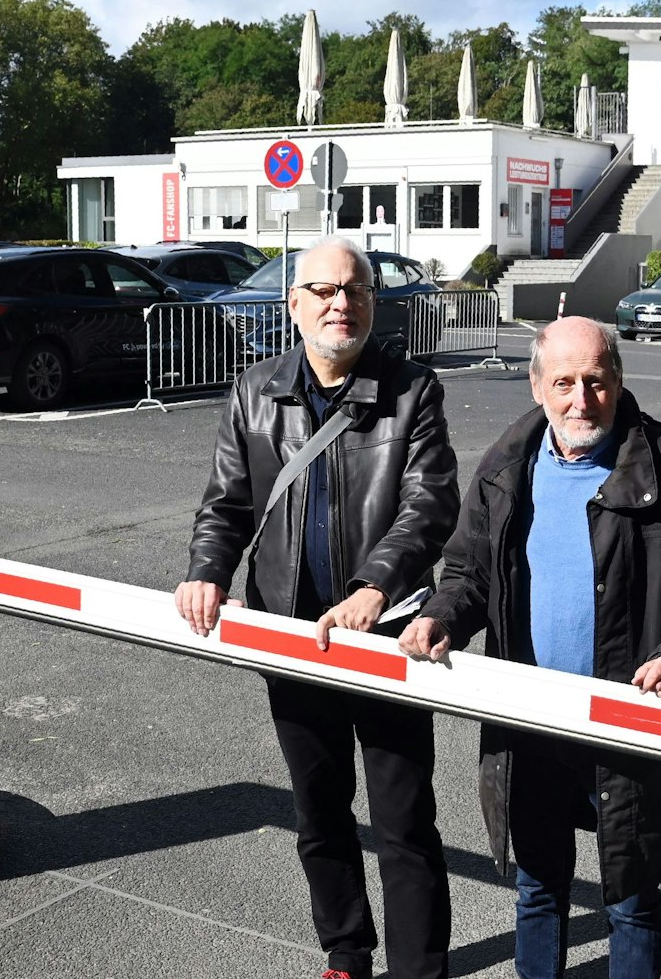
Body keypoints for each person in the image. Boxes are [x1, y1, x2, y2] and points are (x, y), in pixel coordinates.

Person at [400, 316, 661, 979]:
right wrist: (444, 614)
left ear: (618, 380)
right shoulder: (507, 466)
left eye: (595, 380)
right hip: (531, 722)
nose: (579, 399)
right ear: (536, 386)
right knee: (538, 889)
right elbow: (470, 572)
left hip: (628, 725)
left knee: (631, 900)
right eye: (563, 382)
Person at [177, 237, 458, 979]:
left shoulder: (412, 388)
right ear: (293, 304)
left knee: (402, 819)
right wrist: (206, 570)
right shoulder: (255, 390)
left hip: (385, 636)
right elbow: (226, 505)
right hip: (292, 640)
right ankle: (346, 951)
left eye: (357, 289)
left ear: (374, 301)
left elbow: (429, 504)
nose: (343, 303)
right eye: (326, 290)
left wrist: (377, 585)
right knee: (321, 812)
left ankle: (418, 970)